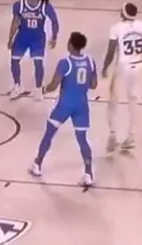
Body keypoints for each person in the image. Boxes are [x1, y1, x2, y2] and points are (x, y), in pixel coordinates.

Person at [29, 31, 97, 187]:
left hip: (64, 105)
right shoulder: (90, 61)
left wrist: (43, 90)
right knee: (82, 140)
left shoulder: (65, 63)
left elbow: (54, 85)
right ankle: (88, 174)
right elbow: (93, 85)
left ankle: (37, 165)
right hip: (81, 105)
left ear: (70, 45)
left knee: (49, 133)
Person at [101, 2, 142, 153]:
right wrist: (140, 45)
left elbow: (111, 50)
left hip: (123, 66)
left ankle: (113, 135)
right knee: (133, 102)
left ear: (124, 13)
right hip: (138, 67)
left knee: (113, 100)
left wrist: (105, 67)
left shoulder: (116, 28)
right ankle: (131, 136)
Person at [7, 0, 60, 100]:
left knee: (38, 63)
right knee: (14, 60)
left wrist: (54, 37)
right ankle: (17, 86)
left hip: (38, 37)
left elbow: (54, 21)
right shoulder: (19, 4)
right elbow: (15, 22)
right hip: (22, 36)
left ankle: (38, 89)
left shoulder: (44, 6)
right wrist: (10, 38)